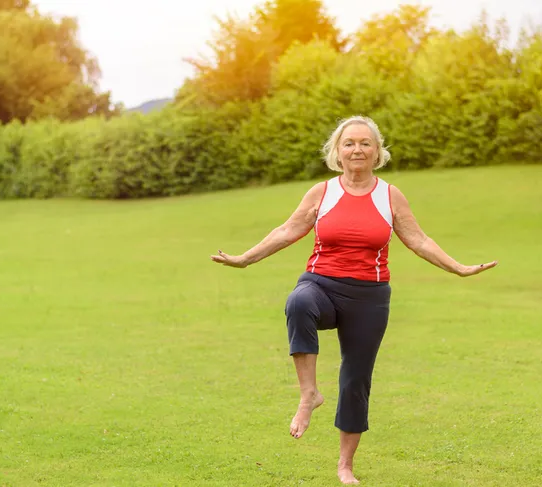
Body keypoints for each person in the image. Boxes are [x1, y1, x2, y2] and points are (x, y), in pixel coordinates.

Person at [210, 115, 498, 484]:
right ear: (337, 152)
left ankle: (345, 465)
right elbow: (287, 231)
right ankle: (308, 394)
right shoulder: (322, 193)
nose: (357, 149)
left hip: (369, 297)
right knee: (299, 303)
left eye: (365, 143)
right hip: (322, 285)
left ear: (377, 151)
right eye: (349, 143)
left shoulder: (389, 195)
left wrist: (457, 267)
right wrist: (244, 259)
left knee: (355, 380)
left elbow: (419, 240)